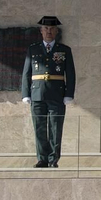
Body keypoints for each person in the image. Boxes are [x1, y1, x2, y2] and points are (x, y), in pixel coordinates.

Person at [20, 16, 74, 168]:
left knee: (55, 128)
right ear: (41, 31)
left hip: (57, 94)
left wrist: (69, 93)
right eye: (46, 29)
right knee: (40, 127)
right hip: (37, 94)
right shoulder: (33, 49)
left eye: (52, 29)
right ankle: (42, 158)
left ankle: (53, 159)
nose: (49, 31)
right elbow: (26, 73)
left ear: (56, 31)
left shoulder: (64, 50)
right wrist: (25, 94)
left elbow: (70, 73)